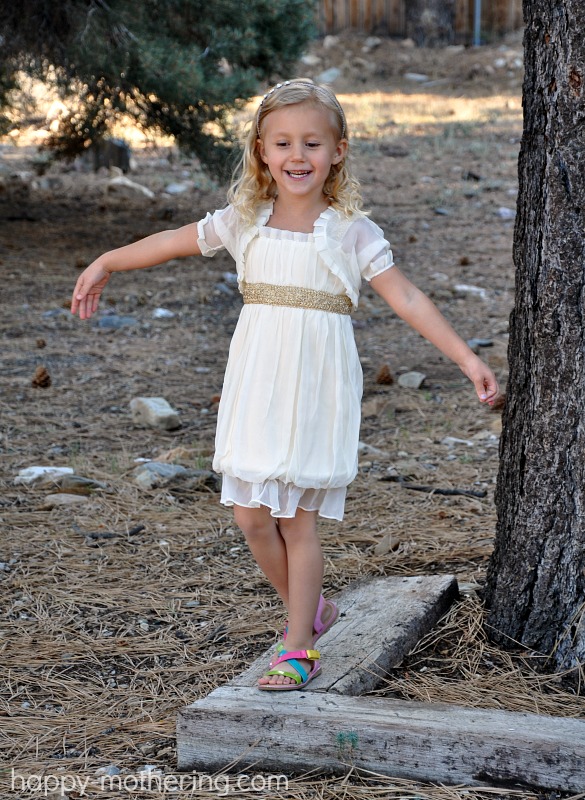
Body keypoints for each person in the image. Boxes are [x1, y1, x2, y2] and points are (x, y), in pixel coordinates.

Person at [71, 79, 500, 692]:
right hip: (258, 376)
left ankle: (299, 644)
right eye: (283, 143)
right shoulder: (245, 220)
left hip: (316, 380)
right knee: (250, 516)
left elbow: (404, 295)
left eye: (312, 143)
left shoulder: (349, 230)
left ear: (338, 151)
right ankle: (314, 610)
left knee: (297, 519)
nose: (298, 155)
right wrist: (107, 260)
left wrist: (467, 360)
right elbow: (171, 242)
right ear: (262, 152)